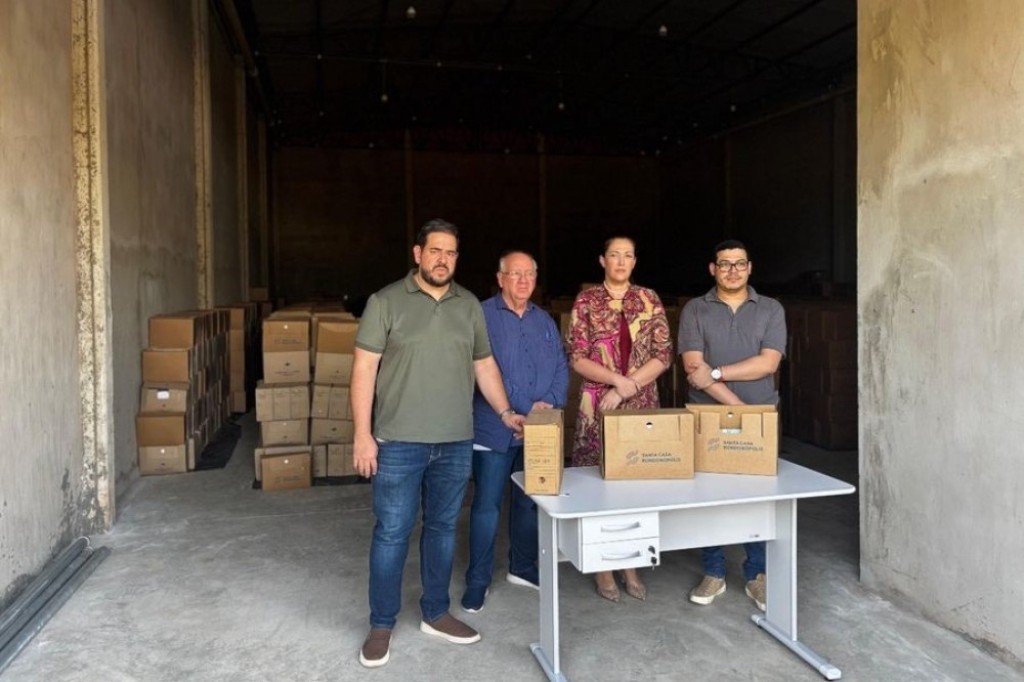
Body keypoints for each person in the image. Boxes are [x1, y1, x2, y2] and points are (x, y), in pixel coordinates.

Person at [351, 219, 526, 668]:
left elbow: (484, 365)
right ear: (418, 254)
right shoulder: (385, 302)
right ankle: (381, 623)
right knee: (392, 532)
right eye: (435, 250)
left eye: (450, 252)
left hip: (454, 441)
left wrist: (505, 412)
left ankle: (435, 612)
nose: (442, 259)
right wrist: (362, 434)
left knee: (443, 528)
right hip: (397, 441)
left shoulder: (468, 306)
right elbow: (364, 369)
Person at [678, 238, 786, 612]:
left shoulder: (770, 309)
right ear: (713, 269)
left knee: (758, 496)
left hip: (761, 415)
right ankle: (714, 571)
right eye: (724, 264)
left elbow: (768, 363)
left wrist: (717, 373)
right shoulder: (695, 309)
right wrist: (741, 410)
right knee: (707, 495)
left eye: (739, 263)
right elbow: (694, 368)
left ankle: (757, 574)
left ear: (750, 267)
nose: (732, 270)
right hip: (709, 418)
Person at [461, 250, 569, 614]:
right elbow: (484, 369)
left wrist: (549, 403)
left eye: (529, 275)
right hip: (493, 427)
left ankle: (521, 567)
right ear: (500, 278)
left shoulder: (544, 319)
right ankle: (477, 581)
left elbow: (561, 365)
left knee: (528, 500)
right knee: (487, 505)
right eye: (515, 274)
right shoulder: (481, 315)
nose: (523, 281)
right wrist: (524, 408)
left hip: (537, 429)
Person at [566, 236, 673, 603]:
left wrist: (628, 388)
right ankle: (603, 567)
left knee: (637, 483)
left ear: (635, 261)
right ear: (603, 260)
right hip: (598, 404)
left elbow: (663, 354)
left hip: (641, 403)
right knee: (597, 484)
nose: (621, 261)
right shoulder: (586, 301)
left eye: (628, 255)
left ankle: (632, 563)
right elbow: (577, 357)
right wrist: (616, 382)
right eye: (615, 255)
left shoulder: (649, 298)